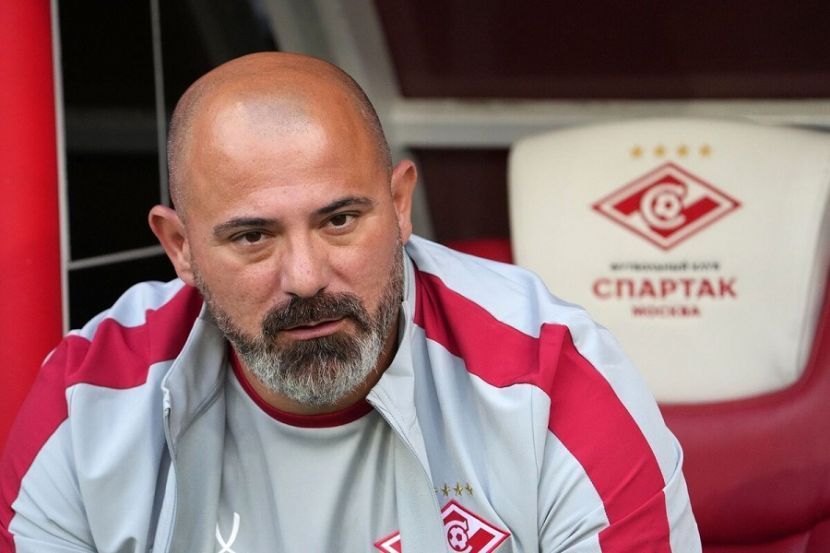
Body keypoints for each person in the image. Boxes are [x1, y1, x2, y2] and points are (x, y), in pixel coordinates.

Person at [0, 52, 700, 552]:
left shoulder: (551, 381)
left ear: (400, 206)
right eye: (252, 236)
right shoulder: (85, 410)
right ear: (180, 247)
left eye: (339, 220)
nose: (305, 278)